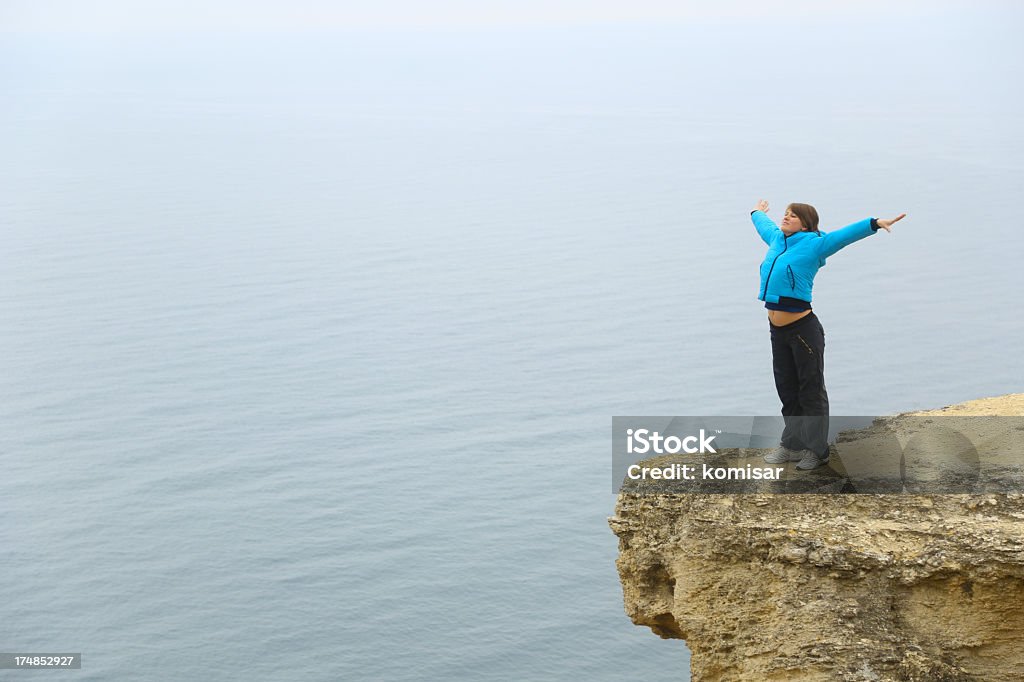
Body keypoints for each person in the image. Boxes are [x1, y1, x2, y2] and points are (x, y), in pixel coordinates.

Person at [751, 199, 906, 470]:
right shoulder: (777, 239)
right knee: (787, 390)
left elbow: (843, 237)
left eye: (793, 216)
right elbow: (763, 226)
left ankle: (817, 450)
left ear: (806, 224)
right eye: (785, 214)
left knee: (810, 391)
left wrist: (874, 224)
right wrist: (757, 212)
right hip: (777, 331)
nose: (786, 218)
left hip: (803, 330)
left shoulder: (814, 244)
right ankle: (793, 444)